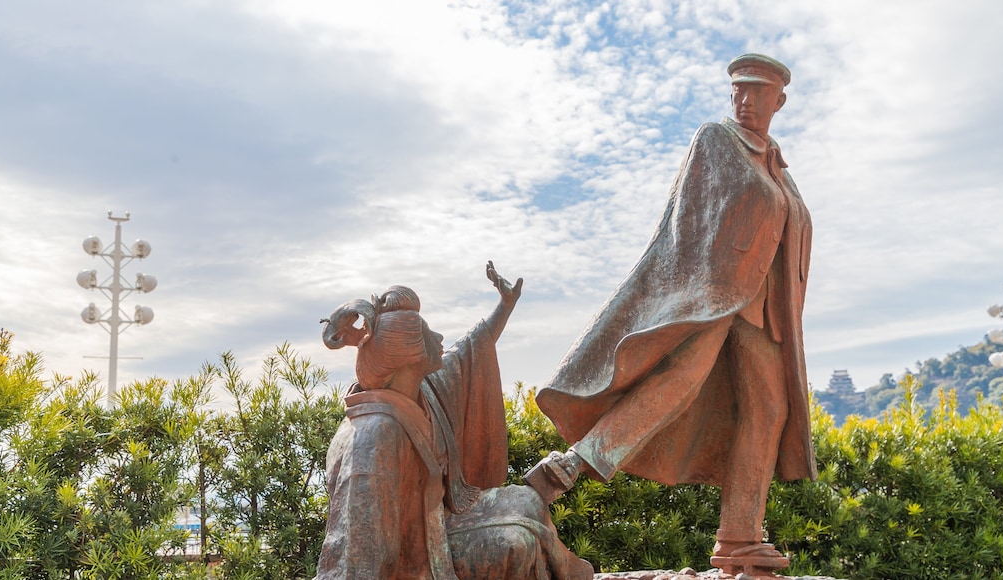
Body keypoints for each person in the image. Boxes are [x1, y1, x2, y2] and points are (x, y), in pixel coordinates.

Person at [530, 54, 817, 575]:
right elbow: (688, 225)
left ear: (779, 100)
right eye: (740, 91)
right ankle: (565, 468)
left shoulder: (779, 166)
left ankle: (738, 537)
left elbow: (786, 223)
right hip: (714, 294)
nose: (747, 101)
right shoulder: (718, 141)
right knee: (676, 381)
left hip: (763, 309)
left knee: (769, 411)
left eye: (759, 92)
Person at [316, 262, 592, 580]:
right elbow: (356, 544)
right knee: (517, 540)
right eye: (426, 333)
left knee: (526, 500)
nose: (439, 336)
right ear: (410, 355)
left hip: (442, 522)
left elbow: (472, 348)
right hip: (419, 556)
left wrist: (505, 306)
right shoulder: (372, 435)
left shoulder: (425, 389)